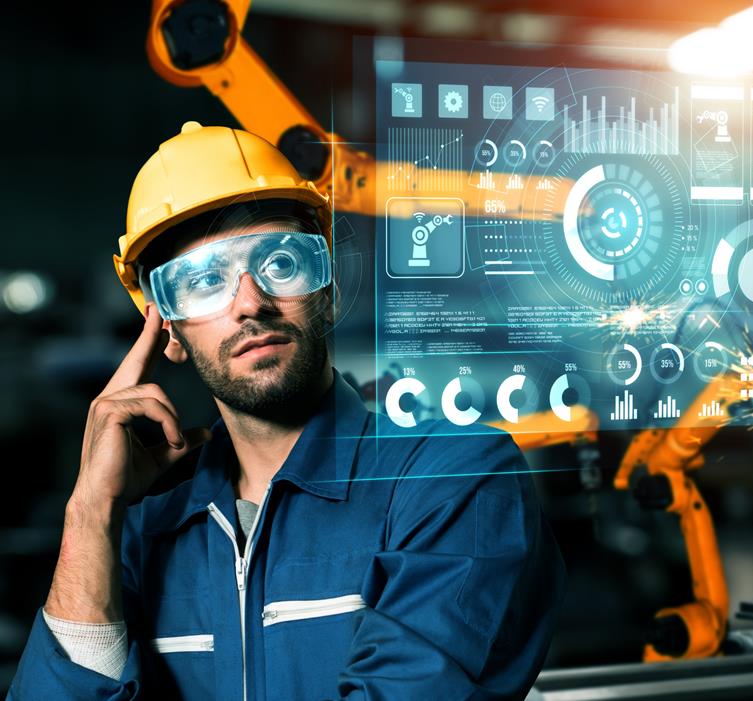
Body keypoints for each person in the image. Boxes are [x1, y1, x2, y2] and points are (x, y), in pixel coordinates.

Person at [7, 122, 566, 700]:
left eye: (279, 262)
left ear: (326, 288)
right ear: (166, 328)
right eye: (202, 281)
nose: (250, 302)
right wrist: (90, 513)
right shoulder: (141, 529)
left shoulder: (453, 478)